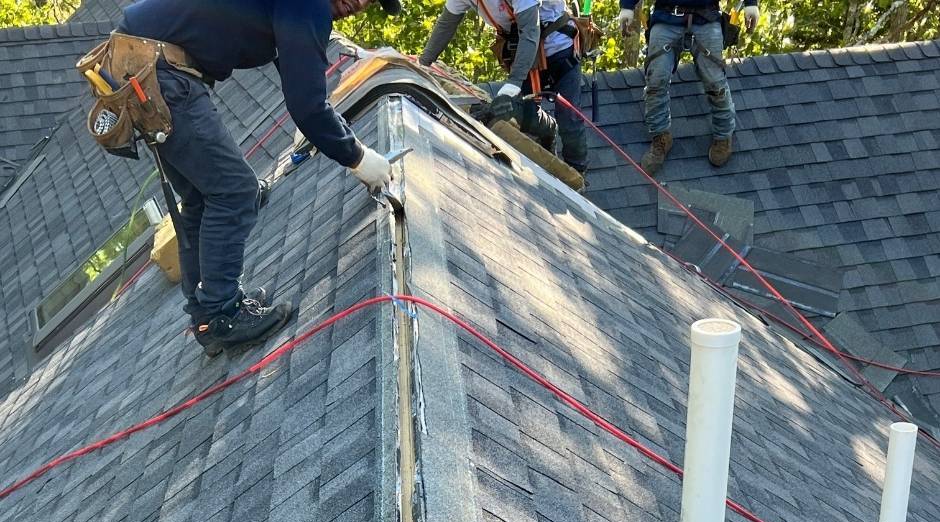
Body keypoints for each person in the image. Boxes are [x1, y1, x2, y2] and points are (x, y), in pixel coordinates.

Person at [115, 0, 399, 357]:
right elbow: (307, 107)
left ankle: (207, 318)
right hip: (157, 72)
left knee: (202, 197)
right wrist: (358, 157)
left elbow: (303, 84)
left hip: (137, 61)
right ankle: (223, 314)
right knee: (235, 192)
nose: (358, 3)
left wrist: (337, 132)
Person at [419, 0, 589, 174]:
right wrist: (423, 64)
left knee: (569, 119)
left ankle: (577, 174)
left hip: (560, 50)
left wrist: (514, 83)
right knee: (519, 113)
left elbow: (530, 32)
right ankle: (548, 128)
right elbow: (446, 24)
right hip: (525, 55)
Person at [619, 0, 759, 174]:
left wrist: (751, 4)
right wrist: (627, 6)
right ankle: (660, 136)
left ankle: (723, 136)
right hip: (666, 17)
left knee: (715, 82)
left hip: (706, 17)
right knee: (656, 79)